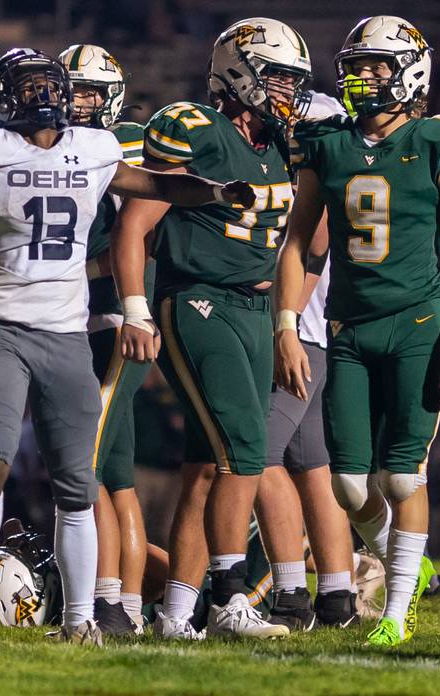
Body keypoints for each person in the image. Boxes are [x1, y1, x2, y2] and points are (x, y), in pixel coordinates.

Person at [0, 47, 254, 647]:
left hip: (68, 333)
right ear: (1, 98)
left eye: (49, 86)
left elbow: (152, 182)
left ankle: (80, 620)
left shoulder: (95, 148)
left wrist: (217, 191)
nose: (41, 98)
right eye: (29, 87)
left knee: (77, 481)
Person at [112, 18, 311, 640]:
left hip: (253, 309)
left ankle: (175, 616)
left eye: (292, 80)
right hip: (198, 301)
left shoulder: (282, 140)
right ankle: (227, 600)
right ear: (238, 72)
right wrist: (136, 308)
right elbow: (133, 227)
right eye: (276, 77)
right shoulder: (195, 128)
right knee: (248, 450)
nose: (286, 92)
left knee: (207, 464)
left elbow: (305, 236)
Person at [277, 15, 440, 646]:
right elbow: (298, 243)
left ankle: (398, 612)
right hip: (348, 325)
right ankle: (411, 558)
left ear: (410, 71)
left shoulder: (434, 139)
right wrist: (287, 326)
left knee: (402, 476)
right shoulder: (329, 142)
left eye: (376, 65)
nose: (362, 77)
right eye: (355, 65)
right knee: (350, 486)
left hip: (418, 322)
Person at [255, 91, 358, 631]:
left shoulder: (315, 158)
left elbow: (313, 240)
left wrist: (284, 324)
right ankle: (338, 595)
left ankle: (291, 594)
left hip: (300, 333)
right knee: (312, 468)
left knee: (258, 456)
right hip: (317, 332)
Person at [57, 42, 149, 635]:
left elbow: (128, 243)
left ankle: (107, 603)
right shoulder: (57, 146)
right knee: (116, 477)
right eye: (71, 90)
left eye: (89, 91)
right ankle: (131, 607)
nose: (78, 103)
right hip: (90, 320)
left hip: (113, 319)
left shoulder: (127, 141)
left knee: (83, 466)